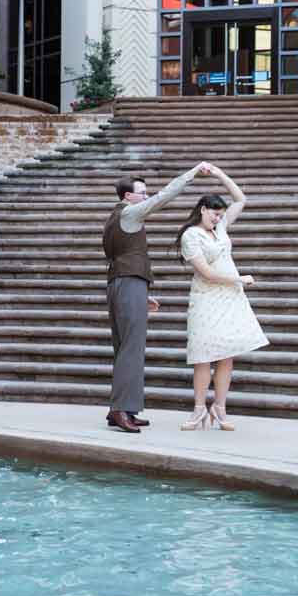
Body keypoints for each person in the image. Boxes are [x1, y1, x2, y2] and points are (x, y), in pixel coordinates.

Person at [103, 162, 207, 433]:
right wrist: (192, 173)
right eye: (142, 193)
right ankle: (120, 410)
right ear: (128, 196)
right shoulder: (130, 212)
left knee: (124, 347)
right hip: (128, 283)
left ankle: (123, 408)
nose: (147, 197)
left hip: (122, 283)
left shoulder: (115, 216)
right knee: (131, 347)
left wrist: (141, 294)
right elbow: (164, 196)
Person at [174, 166, 268, 430]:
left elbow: (241, 199)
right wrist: (239, 278)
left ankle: (220, 407)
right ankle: (198, 410)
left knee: (227, 354)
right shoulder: (191, 235)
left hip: (230, 298)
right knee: (203, 355)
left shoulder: (221, 226)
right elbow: (206, 272)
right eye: (214, 214)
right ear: (203, 210)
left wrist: (218, 174)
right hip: (206, 297)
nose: (218, 219)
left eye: (220, 215)